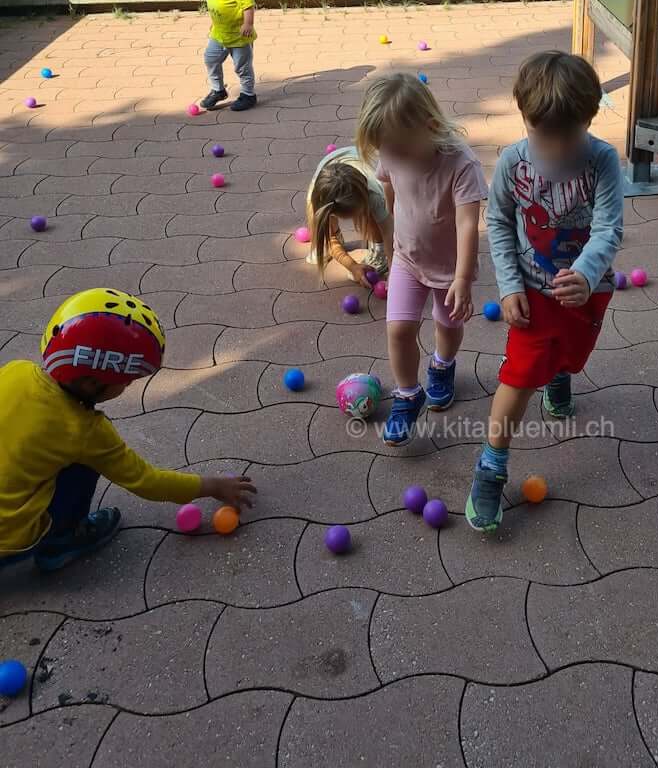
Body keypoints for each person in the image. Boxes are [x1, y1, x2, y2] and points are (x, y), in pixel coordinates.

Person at [466, 51, 623, 532]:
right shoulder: (514, 163)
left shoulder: (602, 160)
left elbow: (608, 229)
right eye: (543, 136)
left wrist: (587, 273)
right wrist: (510, 284)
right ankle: (490, 466)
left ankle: (561, 373)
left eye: (567, 137)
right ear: (526, 120)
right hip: (532, 297)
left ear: (589, 119)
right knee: (519, 376)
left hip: (584, 293)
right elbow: (496, 222)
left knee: (573, 356)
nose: (554, 150)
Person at [0, 289, 256, 572]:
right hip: (10, 541)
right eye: (127, 381)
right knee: (84, 461)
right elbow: (148, 482)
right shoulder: (87, 431)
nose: (127, 387)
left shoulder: (16, 371)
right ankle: (62, 541)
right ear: (92, 384)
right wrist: (212, 486)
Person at [356, 73, 488, 444]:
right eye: (385, 150)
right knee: (398, 330)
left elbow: (467, 224)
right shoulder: (391, 150)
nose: (390, 157)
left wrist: (463, 279)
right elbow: (386, 182)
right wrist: (387, 225)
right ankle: (408, 394)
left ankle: (443, 365)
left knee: (446, 325)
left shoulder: (461, 164)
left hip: (449, 269)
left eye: (396, 149)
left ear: (429, 128)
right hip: (407, 260)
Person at [187, 0, 257, 112]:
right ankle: (218, 90)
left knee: (242, 67)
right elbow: (217, 5)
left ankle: (248, 95)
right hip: (219, 34)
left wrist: (248, 24)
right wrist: (214, 23)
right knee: (210, 59)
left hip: (239, 36)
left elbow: (247, 4)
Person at [306, 146, 393, 284]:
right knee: (324, 235)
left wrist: (393, 272)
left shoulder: (376, 194)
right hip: (334, 171)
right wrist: (352, 266)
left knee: (378, 214)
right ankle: (336, 234)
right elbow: (329, 238)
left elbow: (389, 233)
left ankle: (378, 249)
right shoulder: (318, 200)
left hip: (369, 166)